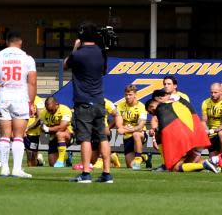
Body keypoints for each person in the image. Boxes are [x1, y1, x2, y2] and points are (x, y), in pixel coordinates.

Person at [64, 22, 112, 184]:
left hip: (83, 101)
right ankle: (106, 173)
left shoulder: (79, 54)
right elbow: (104, 71)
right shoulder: (101, 52)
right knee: (102, 138)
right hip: (99, 101)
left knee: (85, 138)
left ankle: (86, 173)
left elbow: (65, 65)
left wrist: (75, 48)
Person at [0, 30, 36, 179]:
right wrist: (31, 103)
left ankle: (4, 168)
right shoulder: (27, 58)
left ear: (7, 42)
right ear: (20, 43)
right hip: (20, 97)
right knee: (19, 136)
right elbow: (32, 82)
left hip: (4, 96)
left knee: (4, 136)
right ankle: (17, 169)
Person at [145, 90, 216, 173]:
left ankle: (203, 164)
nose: (152, 113)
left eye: (150, 111)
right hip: (197, 134)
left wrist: (155, 137)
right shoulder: (178, 101)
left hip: (189, 137)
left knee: (174, 167)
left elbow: (165, 129)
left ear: (157, 100)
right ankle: (216, 161)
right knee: (191, 161)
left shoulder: (162, 107)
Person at [200, 83, 222, 170]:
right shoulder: (205, 102)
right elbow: (203, 121)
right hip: (211, 133)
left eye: (215, 92)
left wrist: (212, 131)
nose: (213, 94)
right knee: (213, 162)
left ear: (221, 92)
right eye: (211, 92)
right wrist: (206, 130)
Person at [118, 85, 147, 170]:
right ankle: (145, 157)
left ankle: (138, 158)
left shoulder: (141, 106)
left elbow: (141, 126)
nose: (127, 97)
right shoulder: (120, 105)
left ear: (135, 95)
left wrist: (132, 129)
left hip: (140, 134)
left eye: (130, 94)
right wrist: (123, 128)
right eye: (126, 95)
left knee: (136, 134)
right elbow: (119, 128)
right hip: (127, 136)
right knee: (131, 166)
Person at [41, 97, 73, 167]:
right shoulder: (44, 113)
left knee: (60, 134)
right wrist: (43, 128)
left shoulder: (65, 110)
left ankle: (61, 160)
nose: (49, 112)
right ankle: (66, 156)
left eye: (51, 110)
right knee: (52, 164)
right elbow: (43, 127)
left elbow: (62, 127)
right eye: (47, 110)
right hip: (53, 137)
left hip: (67, 135)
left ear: (57, 104)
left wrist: (48, 129)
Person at [23, 95, 46, 167]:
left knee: (32, 155)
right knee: (28, 155)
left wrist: (28, 128)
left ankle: (37, 162)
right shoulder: (20, 98)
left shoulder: (38, 100)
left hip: (33, 133)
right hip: (22, 130)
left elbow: (40, 119)